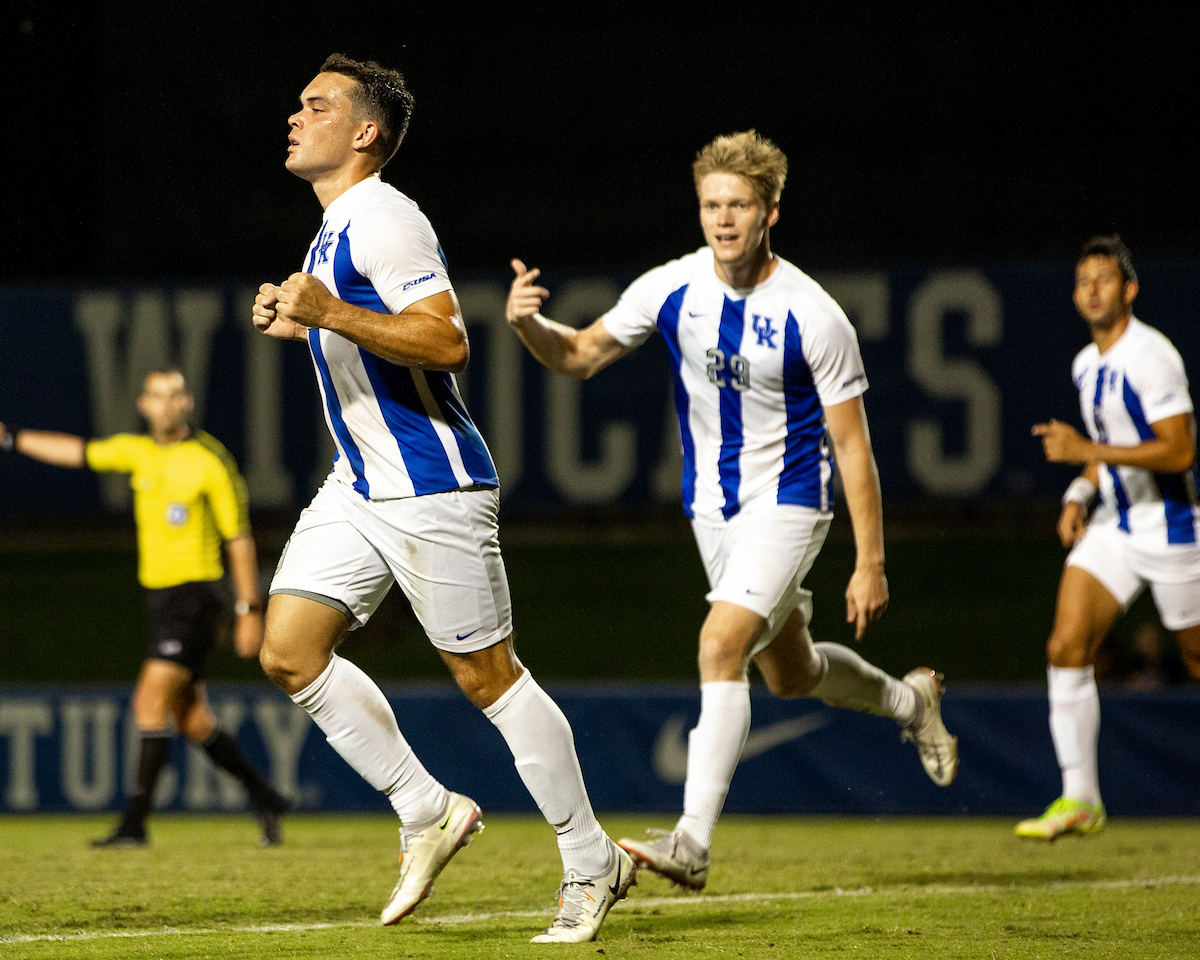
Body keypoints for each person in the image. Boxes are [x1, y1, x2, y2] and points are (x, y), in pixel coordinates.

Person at [504, 130, 959, 889]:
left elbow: (854, 450)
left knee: (720, 645)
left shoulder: (814, 315)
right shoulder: (673, 286)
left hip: (789, 503)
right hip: (711, 513)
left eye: (739, 204)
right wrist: (527, 327)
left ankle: (692, 842)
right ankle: (913, 701)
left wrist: (871, 562)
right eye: (712, 204)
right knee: (792, 672)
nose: (723, 219)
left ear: (771, 210)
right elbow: (580, 355)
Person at [249, 54, 632, 943]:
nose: (296, 117)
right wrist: (304, 318)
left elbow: (446, 340)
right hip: (360, 486)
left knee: (487, 679)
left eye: (318, 106)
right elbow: (364, 337)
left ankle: (591, 861)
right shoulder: (335, 227)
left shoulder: (382, 216)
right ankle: (427, 809)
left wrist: (330, 312)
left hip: (431, 484)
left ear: (365, 133)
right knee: (288, 652)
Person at [0, 370, 289, 846]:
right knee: (192, 719)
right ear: (144, 404)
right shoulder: (138, 453)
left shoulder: (209, 461)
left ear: (187, 403)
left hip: (195, 600)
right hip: (159, 601)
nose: (166, 404)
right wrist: (12, 439)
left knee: (147, 701)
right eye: (157, 396)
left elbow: (239, 539)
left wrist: (248, 610)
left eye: (174, 395)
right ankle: (264, 795)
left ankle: (135, 823)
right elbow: (78, 452)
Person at [1019, 235, 1200, 840]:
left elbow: (1178, 450)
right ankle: (1080, 798)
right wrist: (1079, 492)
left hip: (1174, 529)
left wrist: (1084, 451)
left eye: (1103, 278)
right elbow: (1110, 455)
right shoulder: (1085, 363)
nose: (1091, 289)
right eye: (1082, 280)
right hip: (1117, 528)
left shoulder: (1152, 357)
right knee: (1066, 645)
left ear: (1129, 290)